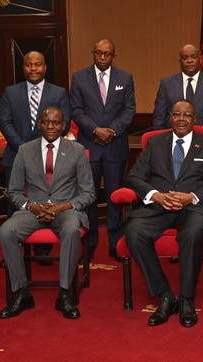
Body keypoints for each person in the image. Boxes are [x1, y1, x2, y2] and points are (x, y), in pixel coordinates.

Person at [125, 99, 203, 327]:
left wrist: (191, 196)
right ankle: (165, 295)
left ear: (195, 119)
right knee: (134, 231)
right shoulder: (155, 143)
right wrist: (156, 195)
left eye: (187, 115)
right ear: (170, 117)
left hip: (192, 207)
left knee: (193, 233)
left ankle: (186, 299)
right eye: (177, 114)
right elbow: (134, 177)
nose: (181, 119)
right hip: (159, 206)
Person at [0, 107, 96, 320]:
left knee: (71, 230)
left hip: (65, 210)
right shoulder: (24, 150)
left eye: (55, 123)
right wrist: (32, 206)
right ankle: (22, 292)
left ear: (63, 125)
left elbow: (89, 193)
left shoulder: (77, 150)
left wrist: (62, 207)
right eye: (46, 122)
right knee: (6, 231)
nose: (50, 126)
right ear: (39, 124)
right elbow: (13, 191)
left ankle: (64, 293)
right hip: (32, 210)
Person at [0, 50, 71, 259]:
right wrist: (25, 150)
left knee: (46, 199)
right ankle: (13, 251)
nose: (33, 69)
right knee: (15, 203)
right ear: (23, 68)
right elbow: (5, 122)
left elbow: (63, 125)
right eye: (29, 65)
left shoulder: (58, 93)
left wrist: (39, 149)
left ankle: (42, 249)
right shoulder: (10, 93)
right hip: (15, 155)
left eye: (37, 64)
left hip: (49, 156)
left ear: (45, 67)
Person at [70, 38, 136, 260]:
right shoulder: (79, 78)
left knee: (115, 197)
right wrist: (95, 131)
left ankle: (116, 244)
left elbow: (129, 110)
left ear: (113, 56)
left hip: (115, 147)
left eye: (107, 54)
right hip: (89, 145)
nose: (102, 57)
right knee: (88, 198)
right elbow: (76, 110)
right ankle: (89, 244)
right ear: (93, 53)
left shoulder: (125, 78)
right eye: (98, 53)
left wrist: (111, 132)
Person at [152, 43, 203, 130]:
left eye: (193, 57)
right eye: (185, 58)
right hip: (174, 140)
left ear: (200, 60)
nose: (189, 60)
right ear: (180, 61)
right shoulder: (167, 84)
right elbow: (159, 119)